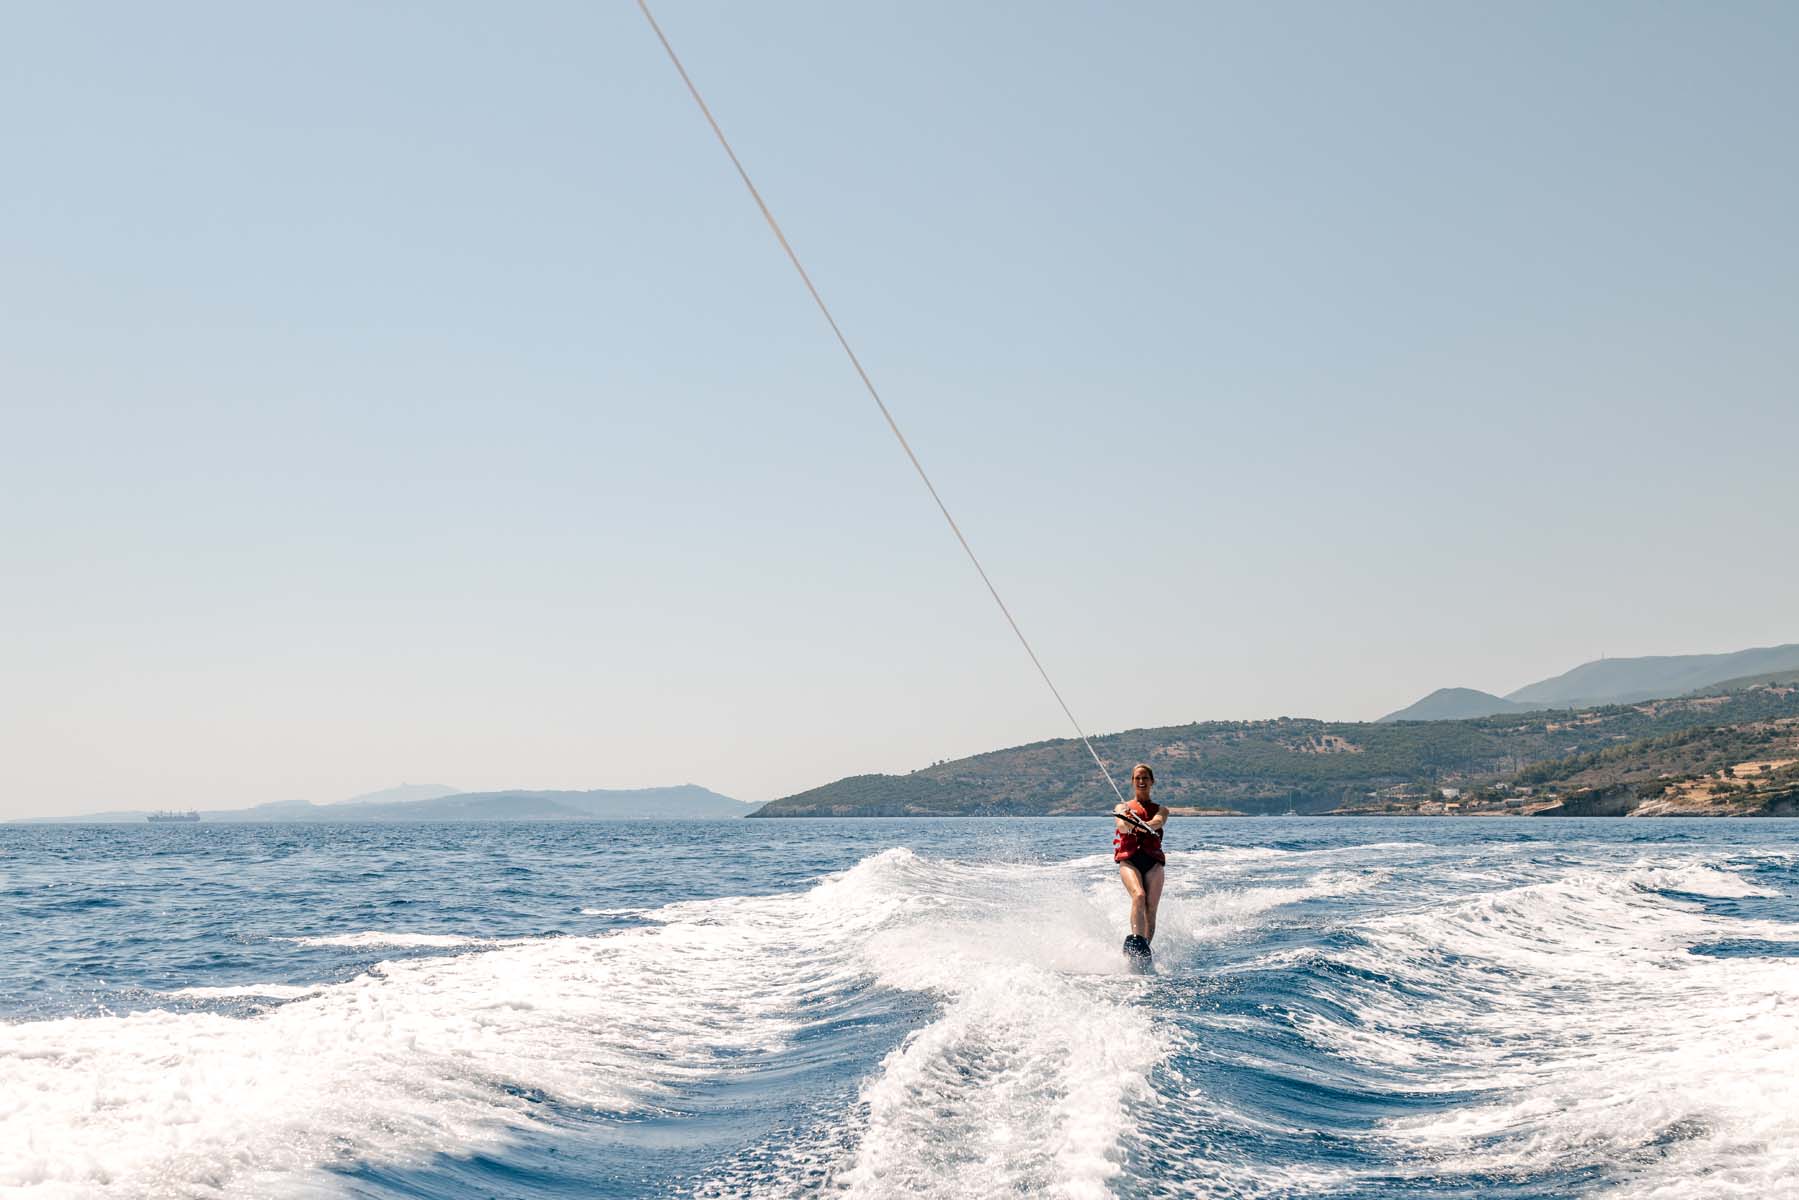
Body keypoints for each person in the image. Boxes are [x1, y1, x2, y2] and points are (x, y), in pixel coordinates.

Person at [1113, 763, 1167, 956]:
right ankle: (1137, 939)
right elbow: (1120, 825)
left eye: (1145, 778)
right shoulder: (1122, 807)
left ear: (1152, 781)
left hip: (1153, 862)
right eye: (1138, 778)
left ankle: (1144, 947)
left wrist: (1144, 824)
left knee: (1151, 907)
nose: (1141, 781)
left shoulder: (1161, 809)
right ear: (1132, 781)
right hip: (1130, 861)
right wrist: (1127, 821)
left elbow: (1157, 822)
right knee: (1139, 896)